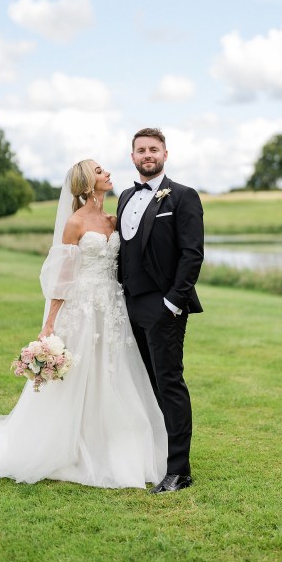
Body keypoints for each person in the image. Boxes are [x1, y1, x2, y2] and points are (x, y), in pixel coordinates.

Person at [0, 159, 167, 489]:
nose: (107, 173)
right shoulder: (75, 223)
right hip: (81, 306)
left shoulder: (114, 218)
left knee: (112, 370)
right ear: (86, 184)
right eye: (99, 171)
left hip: (112, 306)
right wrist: (50, 322)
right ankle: (67, 444)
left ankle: (111, 441)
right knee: (78, 375)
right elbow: (63, 274)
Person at [117, 128, 204, 493]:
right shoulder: (123, 196)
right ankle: (156, 456)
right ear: (132, 156)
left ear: (165, 154)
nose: (147, 155)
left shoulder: (182, 196)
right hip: (129, 305)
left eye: (154, 149)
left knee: (169, 384)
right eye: (141, 150)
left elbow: (191, 254)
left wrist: (172, 302)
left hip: (164, 306)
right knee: (144, 383)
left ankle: (179, 471)